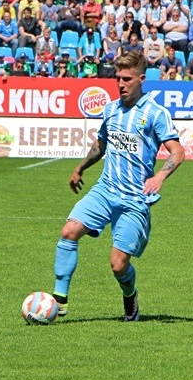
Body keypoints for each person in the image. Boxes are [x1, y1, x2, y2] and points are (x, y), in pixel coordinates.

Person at [43, 51, 184, 323]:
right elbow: (102, 145)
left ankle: (130, 297)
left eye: (127, 79)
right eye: (117, 78)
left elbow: (177, 152)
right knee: (69, 231)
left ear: (141, 79)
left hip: (135, 199)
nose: (121, 84)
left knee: (118, 265)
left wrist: (160, 177)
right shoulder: (111, 109)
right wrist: (80, 167)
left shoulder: (156, 113)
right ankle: (59, 301)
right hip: (105, 190)